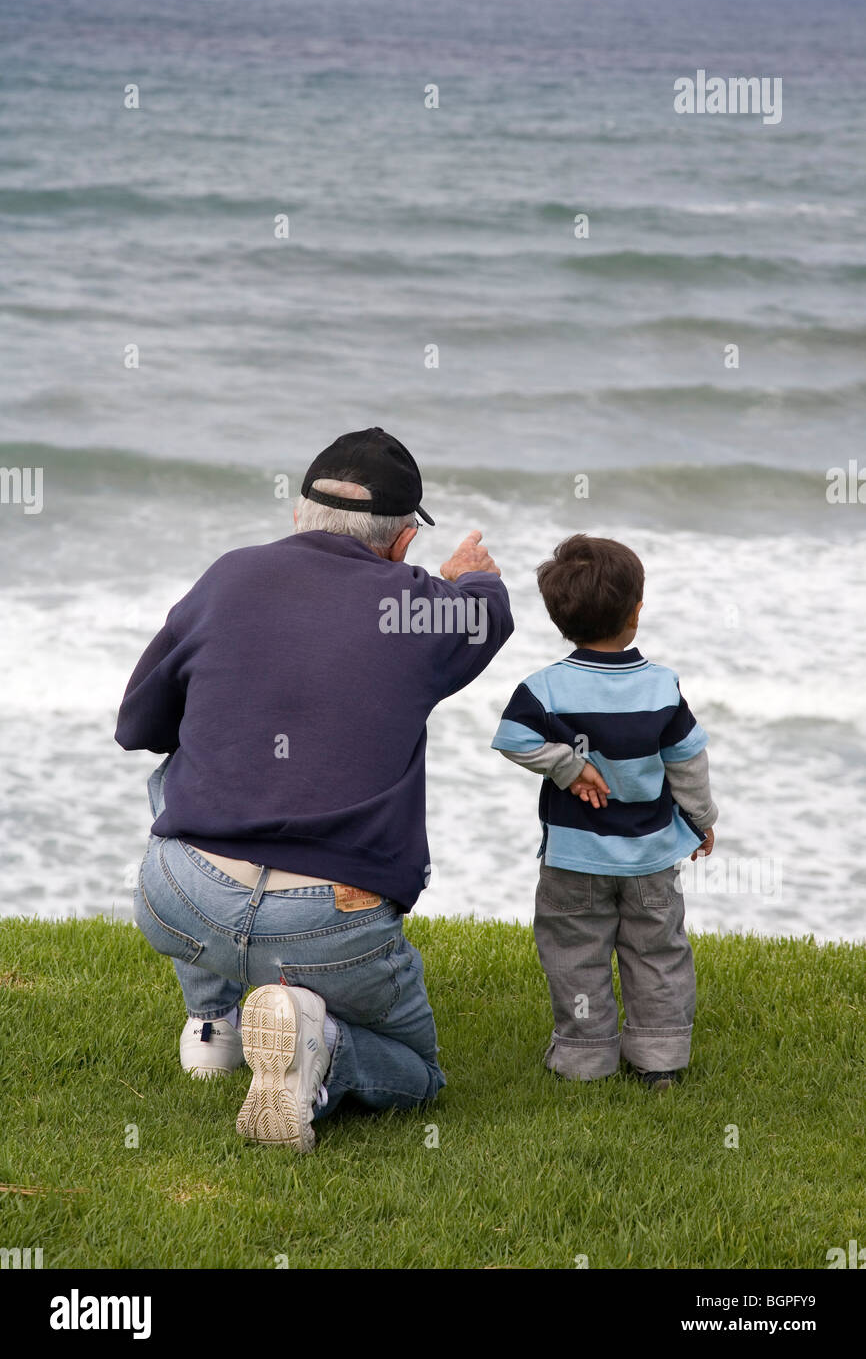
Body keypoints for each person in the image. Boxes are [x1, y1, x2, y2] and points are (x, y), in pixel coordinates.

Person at [116, 428, 513, 1149]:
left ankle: (213, 1024)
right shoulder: (415, 606)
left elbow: (139, 723)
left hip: (180, 899)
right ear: (400, 544)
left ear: (300, 515)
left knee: (169, 773)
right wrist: (471, 575)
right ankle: (319, 1042)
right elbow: (489, 616)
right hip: (330, 928)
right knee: (421, 1072)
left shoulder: (229, 575)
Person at [490, 533, 716, 1090]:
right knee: (657, 953)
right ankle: (660, 1058)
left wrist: (568, 766)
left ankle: (585, 1057)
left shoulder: (543, 688)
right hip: (650, 858)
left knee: (575, 955)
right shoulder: (661, 686)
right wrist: (702, 818)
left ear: (559, 616)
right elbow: (687, 760)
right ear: (636, 611)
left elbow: (512, 740)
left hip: (574, 857)